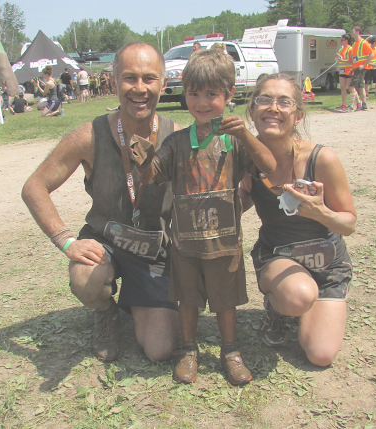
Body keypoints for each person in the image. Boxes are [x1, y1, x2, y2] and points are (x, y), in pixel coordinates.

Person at [22, 42, 181, 363]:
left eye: (149, 78)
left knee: (160, 349)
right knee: (86, 278)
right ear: (113, 82)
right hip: (104, 243)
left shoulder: (176, 138)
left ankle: (138, 298)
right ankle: (106, 311)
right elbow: (34, 187)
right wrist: (65, 241)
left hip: (153, 251)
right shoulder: (89, 137)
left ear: (163, 83)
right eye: (129, 78)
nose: (140, 88)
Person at [133, 50, 277, 385]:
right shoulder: (176, 142)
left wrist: (245, 135)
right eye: (193, 93)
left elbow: (269, 166)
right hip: (185, 243)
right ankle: (188, 350)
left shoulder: (235, 140)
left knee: (226, 300)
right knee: (187, 298)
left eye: (211, 94)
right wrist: (142, 159)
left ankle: (230, 350)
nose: (201, 102)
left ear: (229, 94)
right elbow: (150, 176)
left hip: (225, 241)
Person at [239, 73, 356, 367]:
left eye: (284, 102)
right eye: (264, 100)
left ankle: (316, 302)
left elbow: (349, 223)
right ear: (252, 111)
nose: (273, 108)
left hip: (328, 263)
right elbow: (245, 196)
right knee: (298, 296)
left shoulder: (321, 159)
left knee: (320, 354)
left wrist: (321, 213)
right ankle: (278, 307)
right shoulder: (246, 158)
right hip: (279, 256)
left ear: (298, 114)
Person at [347, 26, 373, 111]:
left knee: (351, 86)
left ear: (357, 32)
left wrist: (364, 65)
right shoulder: (355, 44)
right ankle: (363, 104)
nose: (351, 33)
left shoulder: (364, 43)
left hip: (361, 68)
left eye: (353, 31)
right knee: (361, 87)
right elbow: (355, 58)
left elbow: (371, 54)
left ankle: (351, 105)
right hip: (356, 67)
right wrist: (352, 68)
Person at [335, 33, 354, 111]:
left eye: (342, 40)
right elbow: (338, 60)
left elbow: (352, 60)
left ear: (346, 40)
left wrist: (343, 60)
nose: (340, 41)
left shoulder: (350, 49)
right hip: (342, 70)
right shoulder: (341, 49)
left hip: (349, 71)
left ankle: (354, 103)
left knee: (350, 88)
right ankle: (344, 104)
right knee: (342, 87)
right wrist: (337, 57)